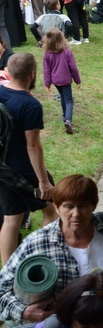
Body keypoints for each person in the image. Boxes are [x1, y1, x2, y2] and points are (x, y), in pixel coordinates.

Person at [0, 174, 103, 323]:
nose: (76, 214)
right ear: (57, 207)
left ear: (94, 204)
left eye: (83, 205)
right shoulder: (37, 243)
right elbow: (2, 290)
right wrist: (24, 312)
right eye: (68, 206)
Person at [0, 53, 58, 266]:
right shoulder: (31, 106)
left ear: (7, 71)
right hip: (25, 171)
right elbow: (32, 146)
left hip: (2, 169)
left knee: (11, 219)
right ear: (33, 74)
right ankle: (47, 260)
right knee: (52, 209)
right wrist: (43, 181)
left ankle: (7, 271)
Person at [42, 29, 81, 134]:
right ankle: (68, 120)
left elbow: (46, 70)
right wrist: (77, 80)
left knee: (63, 97)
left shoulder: (47, 54)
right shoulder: (67, 51)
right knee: (68, 100)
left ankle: (64, 116)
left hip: (55, 81)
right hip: (66, 80)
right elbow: (73, 67)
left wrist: (47, 83)